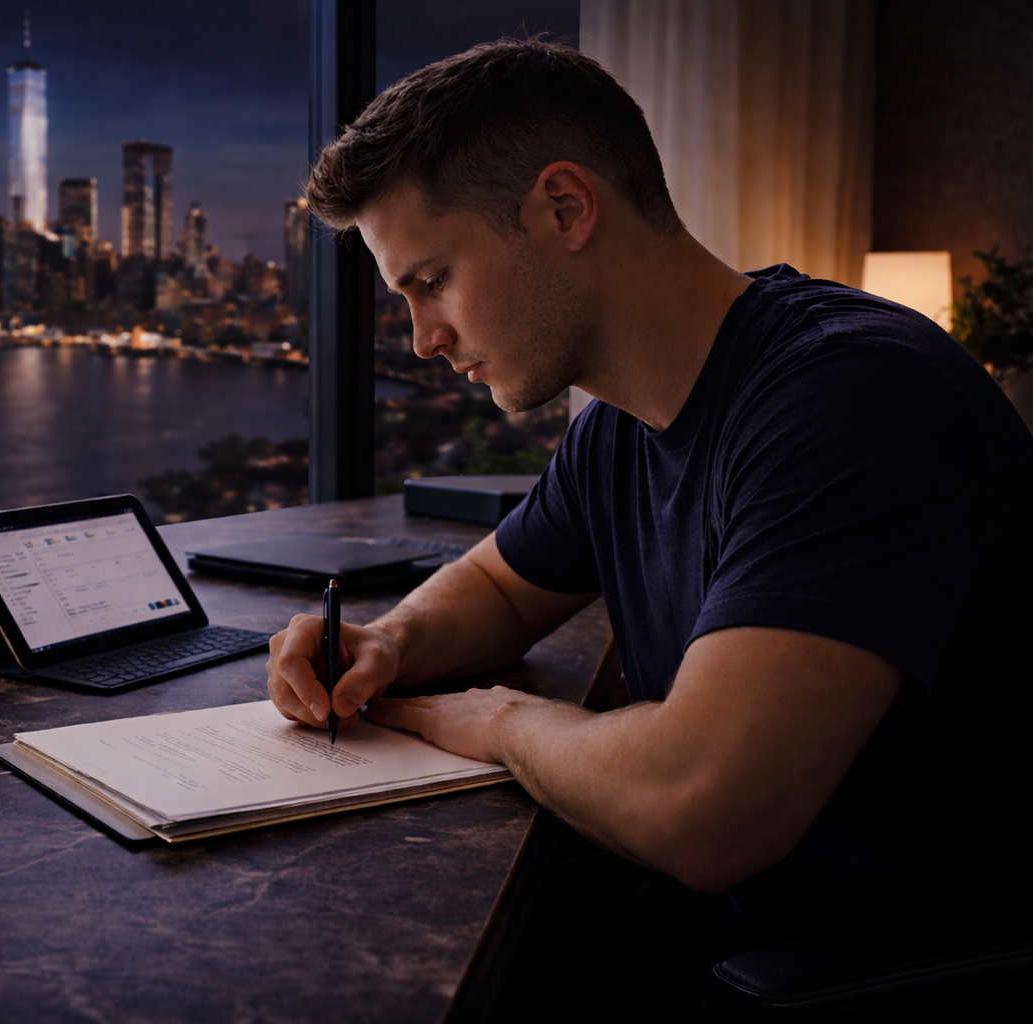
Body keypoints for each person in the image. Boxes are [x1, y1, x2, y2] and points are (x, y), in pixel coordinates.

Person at [266, 38, 1031, 1018]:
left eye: (432, 280)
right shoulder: (620, 426)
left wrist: (498, 721)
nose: (423, 338)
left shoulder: (855, 399)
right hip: (711, 920)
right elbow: (503, 586)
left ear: (564, 209)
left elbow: (701, 807)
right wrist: (385, 642)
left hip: (860, 965)